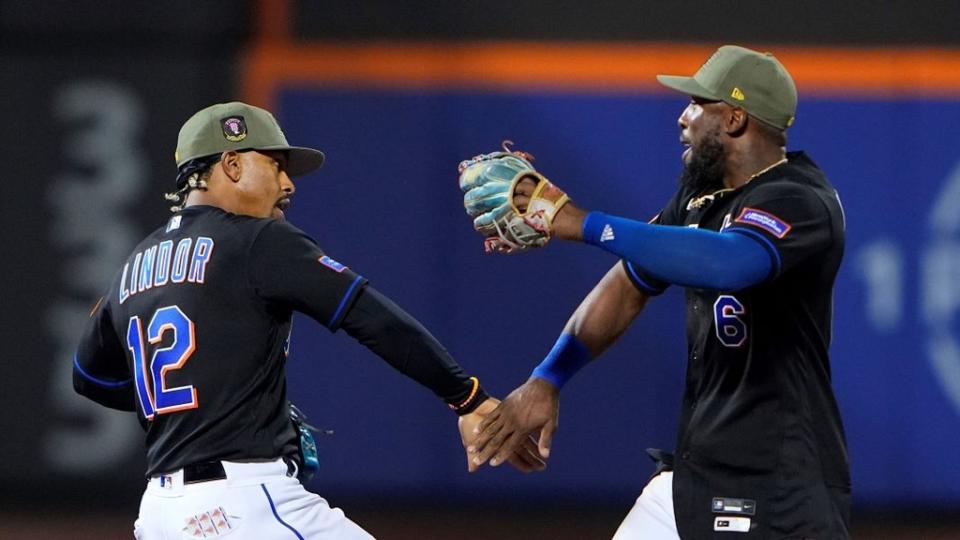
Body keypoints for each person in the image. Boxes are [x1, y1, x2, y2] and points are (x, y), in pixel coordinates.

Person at [72, 101, 544, 540]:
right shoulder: (259, 241)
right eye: (275, 165)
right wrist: (467, 397)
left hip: (159, 515)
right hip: (243, 505)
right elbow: (375, 320)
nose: (288, 183)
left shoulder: (133, 264)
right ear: (232, 164)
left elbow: (88, 376)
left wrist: (205, 404)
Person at [465, 45, 851, 538]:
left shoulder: (800, 198)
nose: (682, 118)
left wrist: (577, 222)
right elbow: (628, 284)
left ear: (734, 119)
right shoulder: (699, 199)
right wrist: (549, 377)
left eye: (696, 104)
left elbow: (730, 261)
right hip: (694, 480)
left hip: (776, 490)